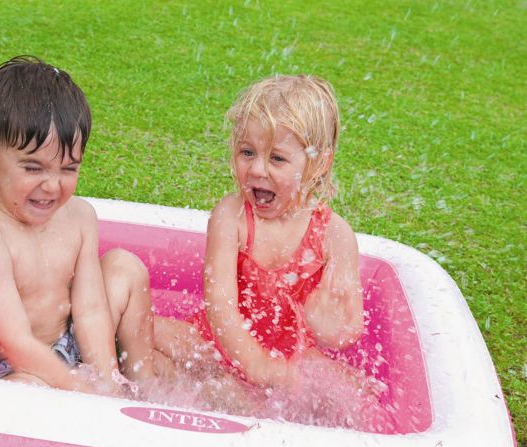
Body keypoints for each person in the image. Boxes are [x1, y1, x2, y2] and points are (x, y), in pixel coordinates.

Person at [155, 75, 383, 420]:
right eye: (247, 152)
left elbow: (348, 328)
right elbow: (220, 309)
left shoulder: (334, 235)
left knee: (359, 398)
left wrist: (329, 330)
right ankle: (228, 393)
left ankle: (244, 402)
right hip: (219, 344)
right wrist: (256, 364)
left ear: (319, 163)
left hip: (293, 359)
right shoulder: (231, 217)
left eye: (277, 159)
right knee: (143, 328)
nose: (257, 169)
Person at [0, 56, 161, 394]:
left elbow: (89, 310)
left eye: (68, 168)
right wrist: (81, 392)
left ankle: (146, 388)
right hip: (13, 368)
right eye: (33, 169)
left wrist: (107, 382)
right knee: (25, 393)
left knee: (124, 266)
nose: (52, 186)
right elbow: (15, 343)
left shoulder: (79, 216)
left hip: (67, 344)